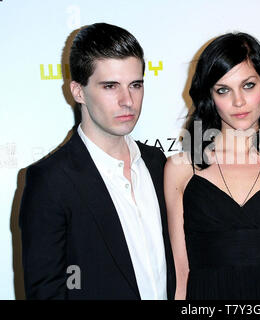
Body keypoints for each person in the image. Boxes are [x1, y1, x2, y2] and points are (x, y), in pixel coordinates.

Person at [19, 23, 175, 300]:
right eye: (110, 86)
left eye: (135, 85)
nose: (128, 100)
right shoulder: (50, 181)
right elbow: (47, 292)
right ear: (78, 92)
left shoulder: (157, 163)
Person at [164, 32, 260, 300]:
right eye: (223, 90)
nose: (238, 102)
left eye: (248, 85)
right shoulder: (181, 170)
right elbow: (182, 275)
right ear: (209, 96)